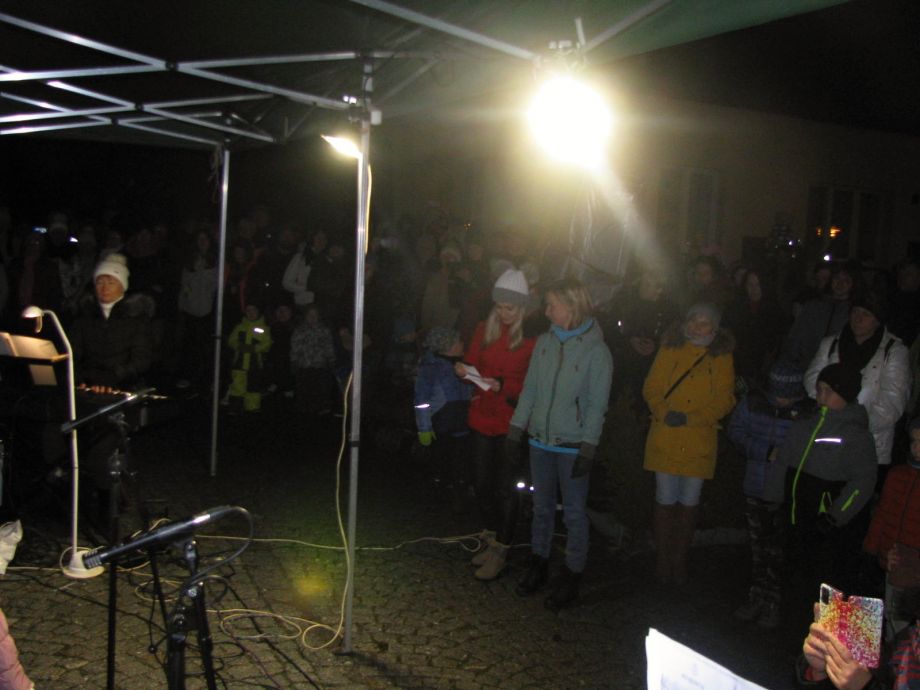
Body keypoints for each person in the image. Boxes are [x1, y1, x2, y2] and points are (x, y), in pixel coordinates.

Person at [509, 277, 612, 609]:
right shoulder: (545, 342)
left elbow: (596, 405)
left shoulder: (596, 351)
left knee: (574, 514)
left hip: (571, 445)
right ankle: (538, 563)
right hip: (541, 440)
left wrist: (588, 447)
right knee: (541, 508)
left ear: (571, 306)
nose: (547, 311)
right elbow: (530, 389)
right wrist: (516, 428)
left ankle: (572, 574)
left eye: (552, 305)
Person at [764, 363, 877, 599]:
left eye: (829, 391)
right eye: (819, 390)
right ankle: (790, 618)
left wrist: (835, 516)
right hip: (796, 516)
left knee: (823, 583)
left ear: (845, 394)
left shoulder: (855, 434)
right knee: (792, 577)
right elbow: (783, 462)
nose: (821, 396)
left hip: (824, 525)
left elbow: (863, 481)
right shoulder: (803, 425)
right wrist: (773, 499)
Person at [642, 302, 736, 585]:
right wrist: (663, 412)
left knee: (689, 501)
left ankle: (679, 559)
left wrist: (692, 418)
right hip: (666, 436)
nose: (696, 326)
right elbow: (652, 387)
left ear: (714, 328)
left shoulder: (721, 357)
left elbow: (724, 399)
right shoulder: (670, 348)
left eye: (704, 322)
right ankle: (663, 559)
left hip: (698, 440)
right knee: (664, 498)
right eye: (693, 320)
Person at [454, 269, 536, 581]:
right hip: (482, 415)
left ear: (522, 307)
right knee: (480, 483)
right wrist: (465, 370)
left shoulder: (531, 338)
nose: (503, 313)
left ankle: (502, 549)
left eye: (510, 308)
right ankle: (491, 538)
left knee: (506, 488)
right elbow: (473, 360)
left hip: (510, 420)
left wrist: (504, 386)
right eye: (499, 307)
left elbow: (533, 383)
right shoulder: (483, 328)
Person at [727, 360, 813, 628]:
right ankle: (756, 598)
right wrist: (763, 451)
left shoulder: (806, 412)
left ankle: (774, 603)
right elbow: (735, 431)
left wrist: (788, 457)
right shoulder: (754, 403)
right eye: (778, 394)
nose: (781, 400)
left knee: (778, 552)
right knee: (758, 549)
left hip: (785, 493)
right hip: (756, 487)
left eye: (787, 396)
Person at [804, 290, 909, 468]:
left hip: (869, 443)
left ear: (878, 320)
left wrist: (854, 424)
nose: (858, 319)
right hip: (827, 435)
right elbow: (812, 380)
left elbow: (893, 401)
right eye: (855, 312)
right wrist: (831, 412)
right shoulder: (831, 344)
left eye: (866, 314)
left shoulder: (894, 352)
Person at [863, 417, 920, 642]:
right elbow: (883, 514)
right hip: (895, 562)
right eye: (914, 441)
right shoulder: (898, 475)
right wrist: (874, 549)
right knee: (895, 622)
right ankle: (894, 661)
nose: (917, 447)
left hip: (914, 564)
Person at [70, 253, 154, 388]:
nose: (105, 288)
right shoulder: (84, 316)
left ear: (122, 286)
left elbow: (141, 359)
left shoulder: (137, 317)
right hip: (89, 385)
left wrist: (114, 376)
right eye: (100, 282)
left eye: (111, 282)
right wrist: (85, 378)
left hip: (124, 385)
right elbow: (73, 354)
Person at [415, 326, 471, 509]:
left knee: (460, 464)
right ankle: (436, 497)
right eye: (458, 341)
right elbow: (421, 399)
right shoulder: (431, 367)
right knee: (440, 462)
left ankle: (457, 497)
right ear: (448, 345)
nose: (462, 344)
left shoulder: (463, 366)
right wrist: (424, 428)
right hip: (441, 424)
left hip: (462, 424)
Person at [784, 261, 858, 369]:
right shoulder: (814, 306)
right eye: (837, 278)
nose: (840, 284)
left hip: (835, 367)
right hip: (805, 364)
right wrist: (794, 357)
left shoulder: (854, 312)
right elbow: (797, 333)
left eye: (846, 281)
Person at [289, 304, 335, 416]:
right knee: (304, 389)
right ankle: (304, 411)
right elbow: (294, 347)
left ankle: (320, 409)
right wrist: (293, 361)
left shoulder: (324, 330)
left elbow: (328, 346)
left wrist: (331, 360)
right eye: (310, 315)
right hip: (304, 366)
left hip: (319, 366)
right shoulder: (299, 330)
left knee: (319, 389)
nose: (312, 317)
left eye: (315, 315)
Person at [226, 302, 272, 413]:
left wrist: (254, 348)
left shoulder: (264, 328)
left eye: (253, 310)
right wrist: (239, 346)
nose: (251, 313)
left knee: (253, 386)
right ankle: (235, 407)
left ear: (258, 311)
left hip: (254, 364)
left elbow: (267, 344)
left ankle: (252, 408)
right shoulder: (240, 327)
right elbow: (231, 340)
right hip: (239, 363)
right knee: (237, 386)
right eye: (248, 310)